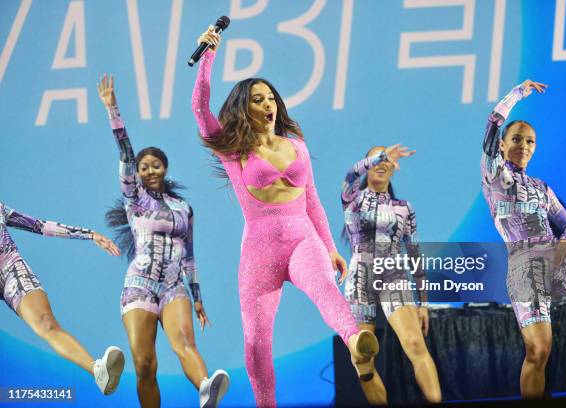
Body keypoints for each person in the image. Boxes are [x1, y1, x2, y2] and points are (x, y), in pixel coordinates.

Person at [191, 27, 379, 407]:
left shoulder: (297, 145)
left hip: (302, 238)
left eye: (271, 97)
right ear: (244, 108)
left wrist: (329, 247)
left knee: (327, 290)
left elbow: (312, 201)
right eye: (258, 99)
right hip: (260, 251)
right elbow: (200, 108)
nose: (267, 104)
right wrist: (208, 55)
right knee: (257, 343)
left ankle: (355, 339)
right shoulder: (233, 151)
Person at [97, 75, 229, 408]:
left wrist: (197, 297)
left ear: (165, 168)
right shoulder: (135, 199)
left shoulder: (184, 208)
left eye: (156, 165)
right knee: (145, 365)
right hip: (140, 285)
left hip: (174, 286)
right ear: (136, 174)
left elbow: (190, 257)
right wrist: (113, 109)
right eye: (144, 167)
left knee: (185, 343)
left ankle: (205, 388)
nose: (150, 170)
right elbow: (126, 153)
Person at [481, 79, 566, 396]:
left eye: (530, 141)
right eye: (517, 139)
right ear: (501, 145)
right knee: (539, 351)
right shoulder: (494, 175)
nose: (524, 146)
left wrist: (565, 241)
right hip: (523, 267)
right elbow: (494, 122)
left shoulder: (541, 187)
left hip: (555, 257)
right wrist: (520, 92)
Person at [342, 145, 442, 404]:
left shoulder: (404, 208)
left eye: (386, 159)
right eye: (376, 158)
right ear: (368, 164)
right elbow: (350, 174)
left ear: (393, 171)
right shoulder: (352, 198)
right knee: (362, 361)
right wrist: (380, 157)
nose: (382, 162)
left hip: (393, 277)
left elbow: (415, 256)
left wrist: (424, 302)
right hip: (359, 281)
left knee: (415, 345)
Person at [0, 201, 124, 395]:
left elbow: (39, 225)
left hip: (9, 268)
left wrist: (89, 235)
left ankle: (98, 371)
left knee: (45, 322)